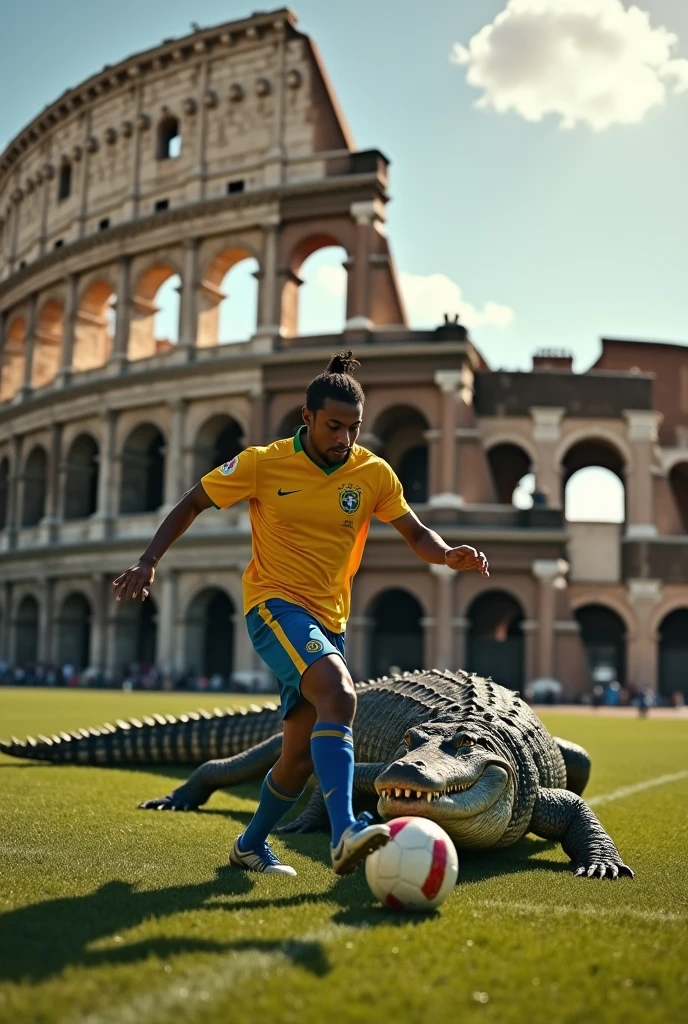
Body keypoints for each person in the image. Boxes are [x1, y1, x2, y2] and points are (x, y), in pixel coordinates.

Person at [111, 351, 489, 877]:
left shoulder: (372, 473)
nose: (345, 439)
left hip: (329, 620)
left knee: (298, 757)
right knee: (340, 692)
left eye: (354, 428)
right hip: (273, 605)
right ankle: (346, 832)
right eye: (334, 426)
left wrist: (447, 554)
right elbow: (192, 501)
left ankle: (248, 845)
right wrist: (148, 560)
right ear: (307, 418)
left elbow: (415, 533)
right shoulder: (263, 463)